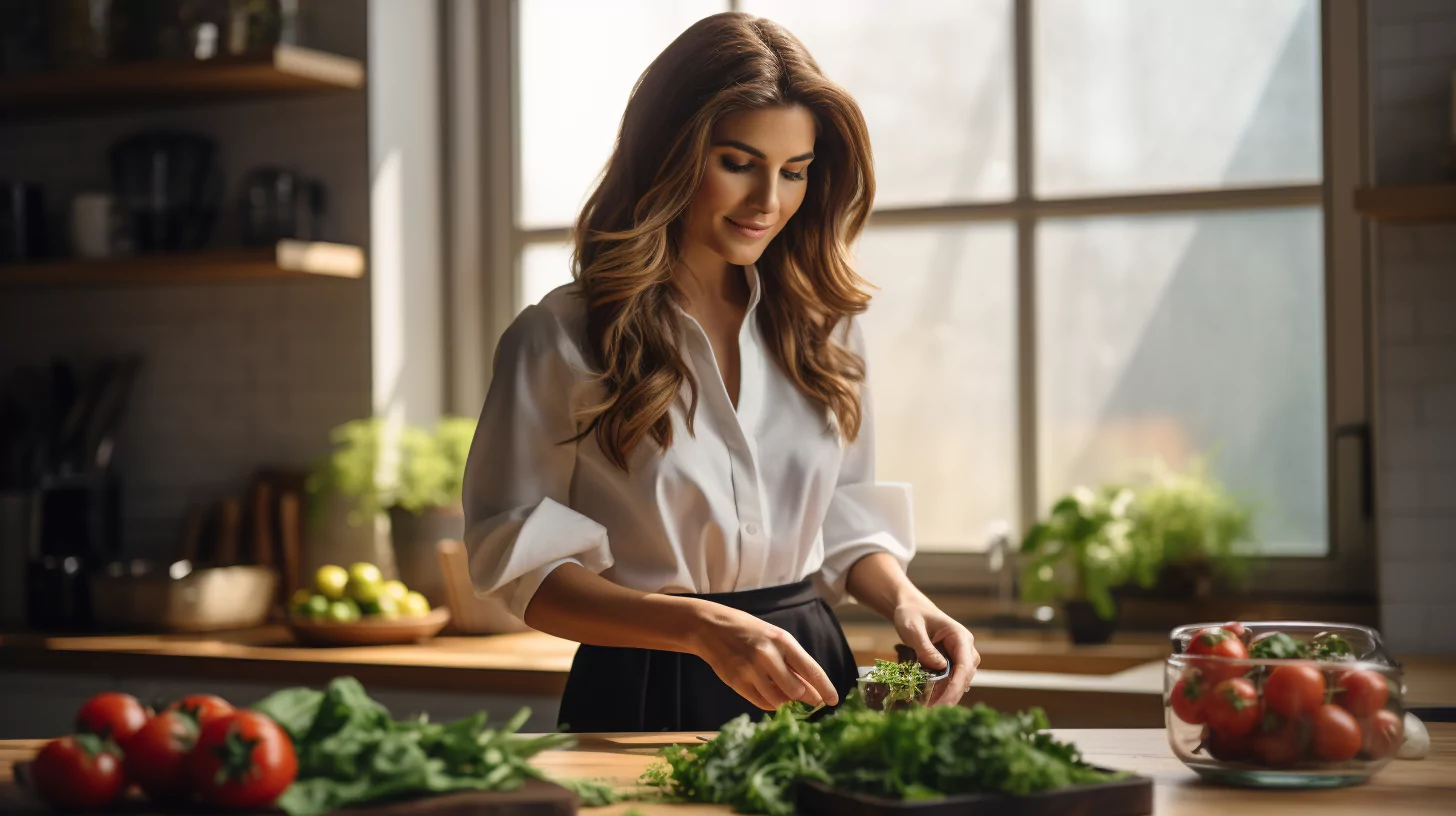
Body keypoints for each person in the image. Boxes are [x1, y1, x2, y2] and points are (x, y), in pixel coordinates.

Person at [462, 11, 979, 733]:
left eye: (794, 172)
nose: (769, 203)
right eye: (738, 163)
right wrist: (701, 627)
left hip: (810, 666)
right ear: (668, 156)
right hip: (644, 681)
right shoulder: (559, 339)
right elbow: (524, 572)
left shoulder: (827, 326)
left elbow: (845, 514)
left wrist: (904, 601)